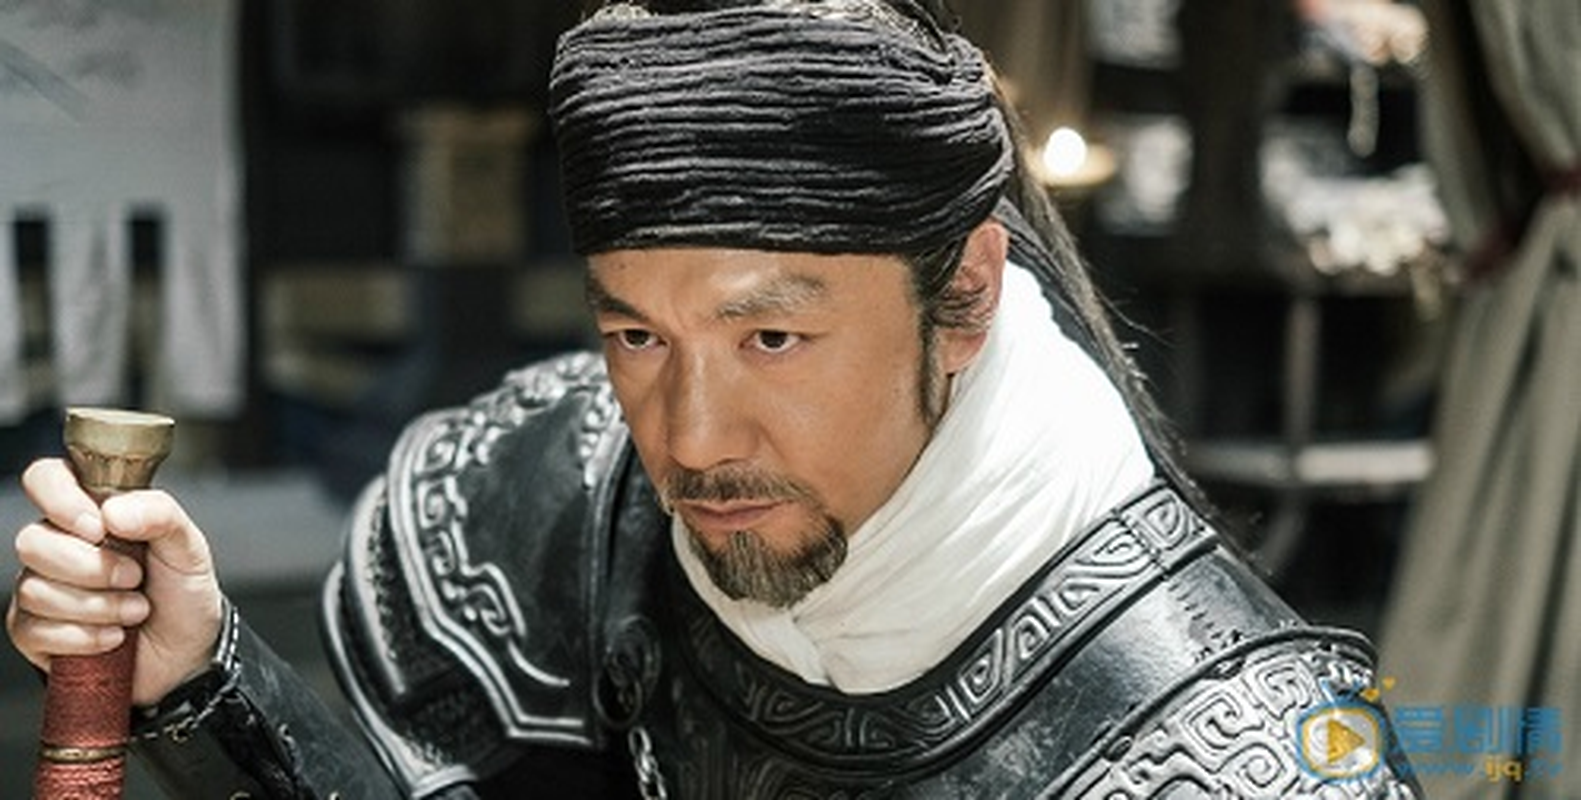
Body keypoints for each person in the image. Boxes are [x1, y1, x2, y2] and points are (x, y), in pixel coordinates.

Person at [8, 1, 1422, 796]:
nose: (688, 439)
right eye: (636, 334)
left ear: (967, 297)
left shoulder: (1234, 755)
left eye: (772, 339)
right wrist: (202, 674)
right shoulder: (561, 490)